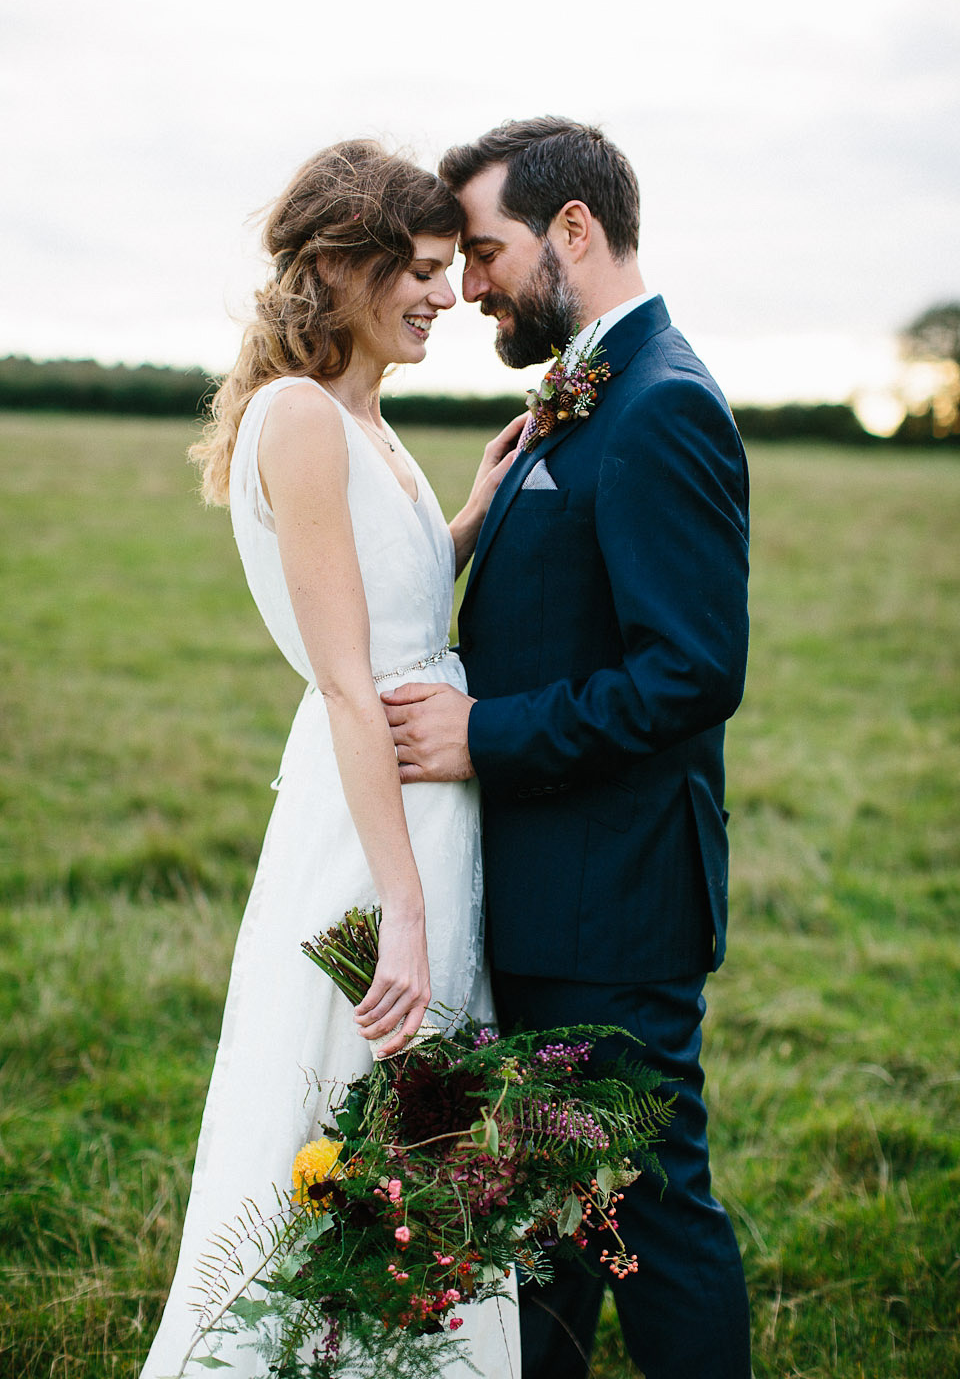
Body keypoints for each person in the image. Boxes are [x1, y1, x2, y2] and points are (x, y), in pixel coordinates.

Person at [140, 140, 522, 1378]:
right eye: (417, 270)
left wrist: (464, 514)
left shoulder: (363, 417)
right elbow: (351, 680)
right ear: (344, 268)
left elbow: (393, 609)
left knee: (414, 1128)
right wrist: (400, 906)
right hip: (373, 822)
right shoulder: (301, 416)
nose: (448, 296)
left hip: (420, 801)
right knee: (347, 1095)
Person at [382, 117, 752, 1379]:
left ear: (574, 233)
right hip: (552, 898)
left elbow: (691, 673)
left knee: (652, 1219)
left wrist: (484, 734)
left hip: (619, 909)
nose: (468, 281)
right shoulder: (580, 392)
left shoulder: (661, 405)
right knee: (552, 1225)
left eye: (485, 251)